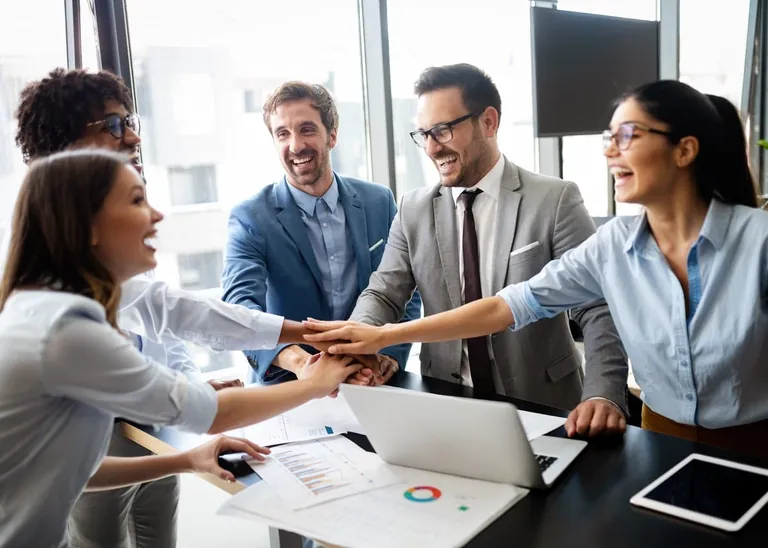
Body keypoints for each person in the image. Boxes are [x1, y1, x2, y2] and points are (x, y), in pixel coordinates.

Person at [304, 80, 768, 457]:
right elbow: (510, 304)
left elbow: (596, 312)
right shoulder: (614, 244)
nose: (609, 153)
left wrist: (603, 393)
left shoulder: (758, 243)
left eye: (626, 137)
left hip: (740, 441)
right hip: (652, 438)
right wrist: (378, 337)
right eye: (609, 138)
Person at [8, 68, 320, 548]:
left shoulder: (45, 296)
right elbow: (173, 318)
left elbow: (70, 469)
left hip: (138, 425)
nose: (156, 214)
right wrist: (319, 376)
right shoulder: (65, 327)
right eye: (113, 125)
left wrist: (183, 456)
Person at [334, 64, 628, 431]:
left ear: (488, 122)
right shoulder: (413, 208)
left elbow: (599, 307)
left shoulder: (554, 200)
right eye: (423, 134)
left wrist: (603, 393)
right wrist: (363, 341)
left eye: (441, 130)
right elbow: (384, 294)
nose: (430, 147)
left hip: (545, 408)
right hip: (445, 403)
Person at [222, 81, 421, 386]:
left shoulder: (379, 202)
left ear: (333, 134)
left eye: (307, 129)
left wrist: (389, 356)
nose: (296, 145)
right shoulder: (251, 218)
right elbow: (240, 309)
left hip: (372, 380)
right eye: (283, 134)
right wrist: (303, 364)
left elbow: (406, 287)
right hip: (290, 384)